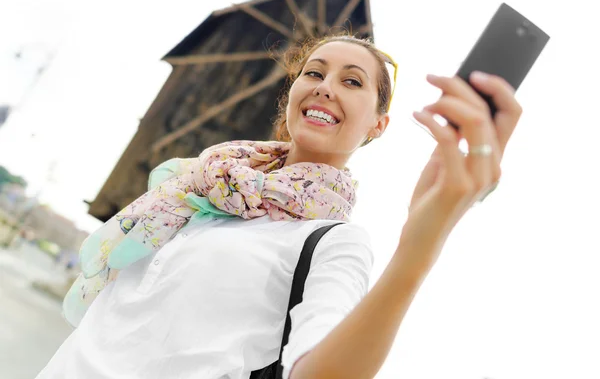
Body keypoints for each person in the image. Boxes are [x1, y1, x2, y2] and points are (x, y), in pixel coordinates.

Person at [36, 33, 522, 379]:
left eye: (352, 82)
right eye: (315, 72)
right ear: (292, 93)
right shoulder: (198, 180)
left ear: (378, 125)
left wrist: (421, 245)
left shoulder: (334, 241)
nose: (326, 86)